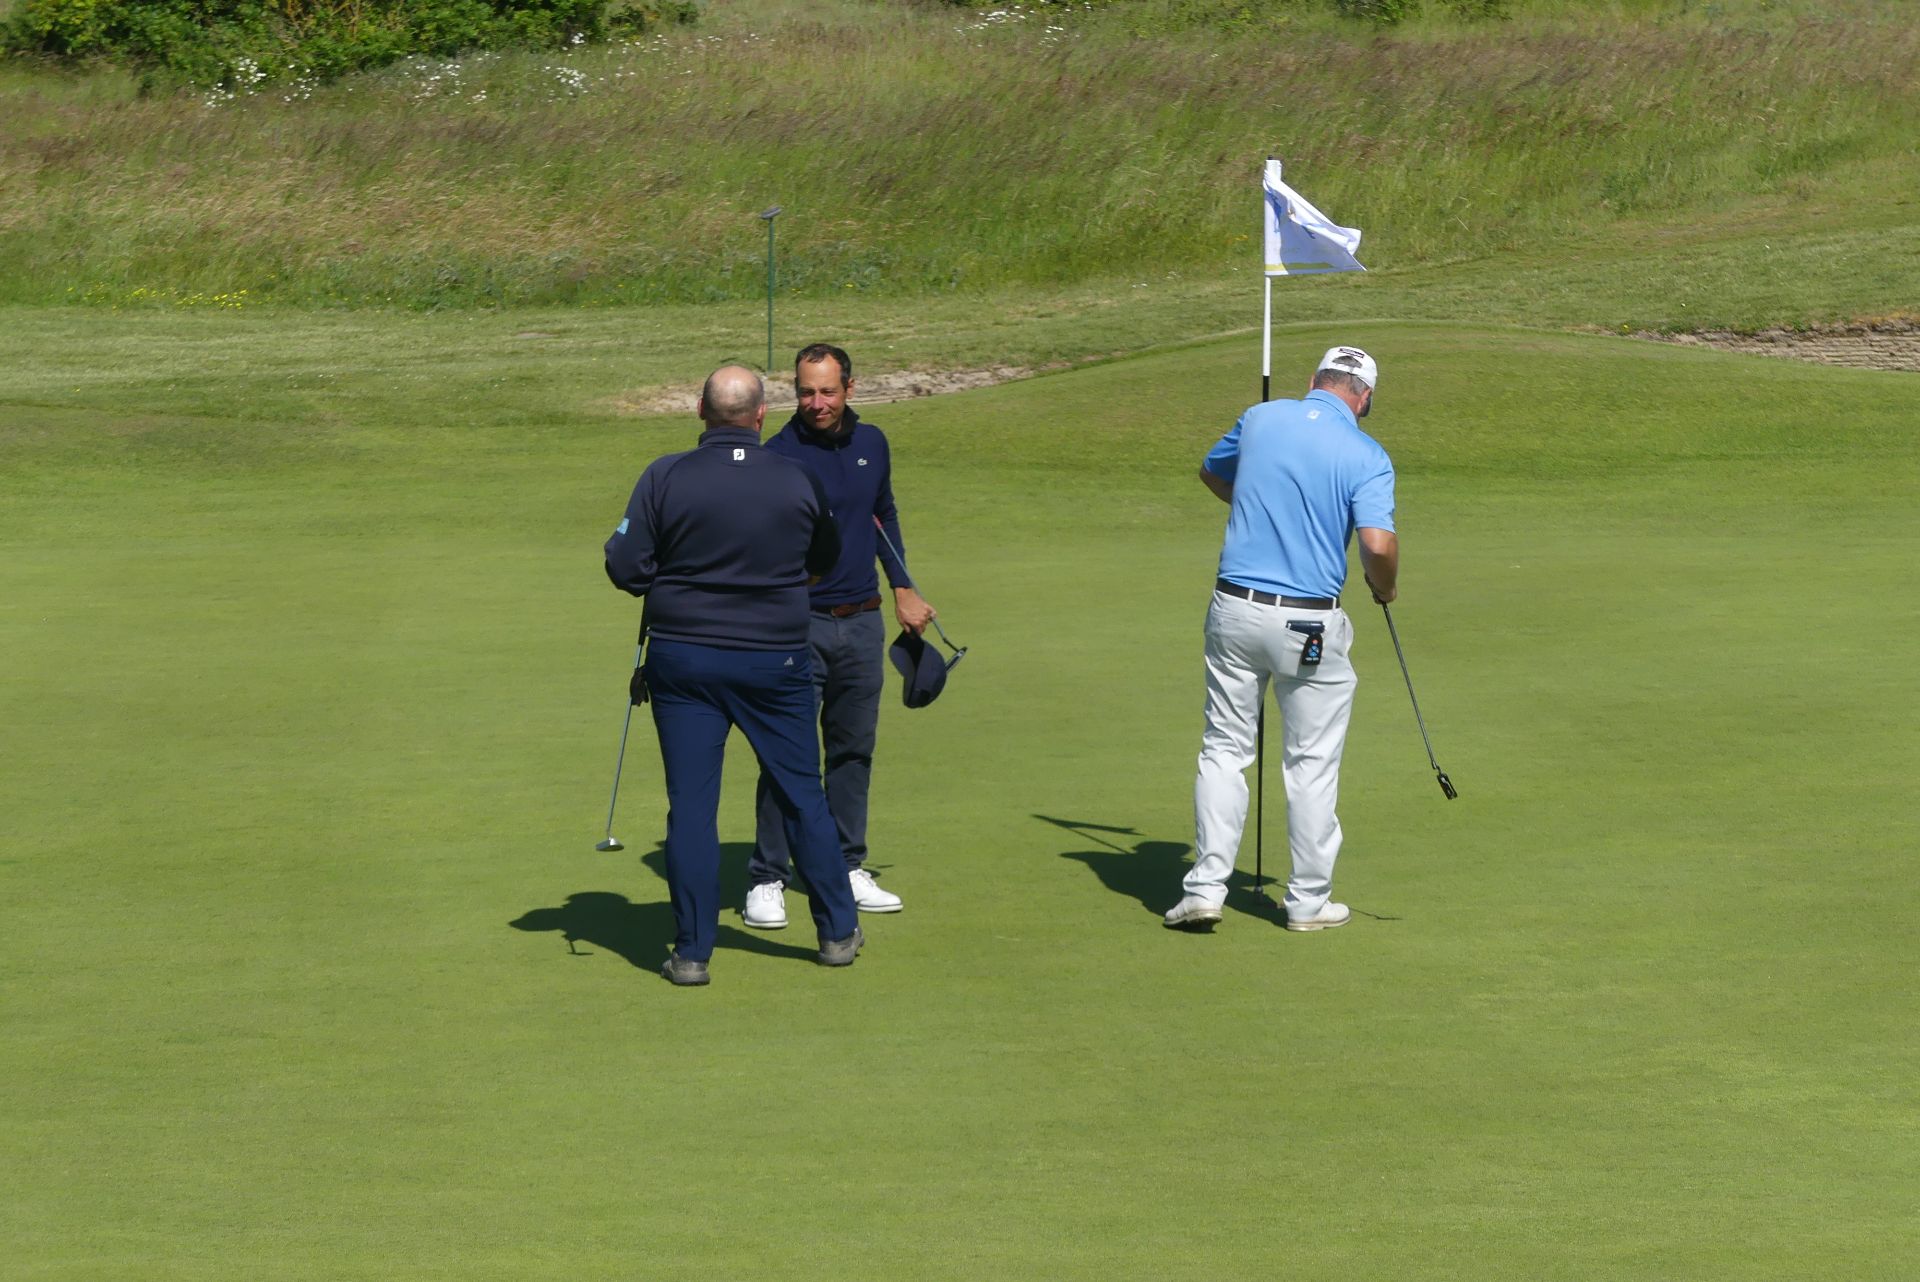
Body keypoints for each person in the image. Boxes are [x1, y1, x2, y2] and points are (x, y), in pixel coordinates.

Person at [604, 364, 863, 986]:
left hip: (684, 661)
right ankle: (836, 932)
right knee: (801, 794)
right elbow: (824, 560)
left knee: (692, 808)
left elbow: (626, 567)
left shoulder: (665, 475)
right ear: (761, 414)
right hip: (776, 661)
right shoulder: (796, 475)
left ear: (700, 410)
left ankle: (692, 953)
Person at [1165, 345, 1399, 934]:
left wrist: (1257, 502)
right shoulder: (1367, 454)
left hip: (1234, 610)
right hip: (1308, 625)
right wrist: (1385, 588)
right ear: (1365, 397)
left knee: (1224, 748)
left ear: (1315, 379)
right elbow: (1376, 545)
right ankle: (1307, 902)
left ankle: (1205, 890)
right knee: (1311, 764)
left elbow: (1213, 472)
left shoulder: (1261, 417)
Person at [741, 343, 936, 929]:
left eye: (827, 391)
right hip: (796, 625)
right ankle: (768, 877)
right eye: (806, 392)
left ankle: (847, 865)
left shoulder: (872, 443)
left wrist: (903, 586)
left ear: (850, 388)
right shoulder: (777, 456)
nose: (817, 403)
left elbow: (883, 515)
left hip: (862, 620)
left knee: (853, 751)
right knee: (786, 753)